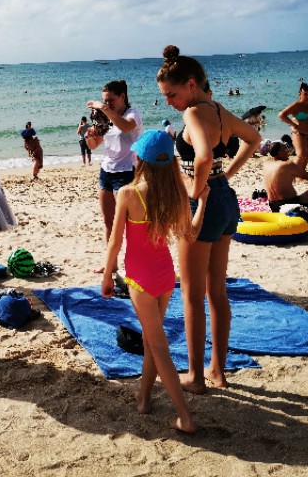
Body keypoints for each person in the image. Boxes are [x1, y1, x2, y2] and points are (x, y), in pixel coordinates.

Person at [156, 45, 261, 393]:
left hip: (203, 204)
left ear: (189, 84)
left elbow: (201, 158)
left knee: (190, 294)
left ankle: (197, 378)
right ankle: (217, 369)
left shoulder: (193, 114)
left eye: (171, 95)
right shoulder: (217, 109)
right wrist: (225, 174)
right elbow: (254, 138)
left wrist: (192, 192)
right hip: (226, 201)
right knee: (217, 290)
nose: (170, 102)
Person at [101, 130, 208, 434]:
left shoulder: (129, 193)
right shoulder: (175, 194)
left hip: (140, 279)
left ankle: (185, 416)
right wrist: (203, 203)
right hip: (164, 277)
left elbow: (114, 243)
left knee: (159, 347)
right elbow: (191, 233)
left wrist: (108, 276)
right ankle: (144, 397)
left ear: (140, 159)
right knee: (151, 340)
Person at [86, 80, 143, 272]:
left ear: (122, 97)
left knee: (129, 225)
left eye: (110, 100)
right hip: (106, 172)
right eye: (105, 101)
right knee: (109, 223)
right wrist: (88, 135)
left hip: (126, 173)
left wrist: (104, 109)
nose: (107, 104)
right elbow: (94, 146)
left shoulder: (132, 115)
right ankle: (112, 265)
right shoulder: (107, 118)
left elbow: (127, 127)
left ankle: (134, 264)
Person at [263, 142, 308, 218]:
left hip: (273, 206)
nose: (288, 151)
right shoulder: (287, 165)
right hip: (289, 205)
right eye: (285, 149)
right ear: (279, 153)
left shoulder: (266, 164)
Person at [278, 83, 308, 170]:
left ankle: (300, 177)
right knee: (301, 155)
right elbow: (282, 115)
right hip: (299, 133)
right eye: (305, 94)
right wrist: (293, 124)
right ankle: (291, 175)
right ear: (300, 94)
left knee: (306, 156)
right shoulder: (296, 105)